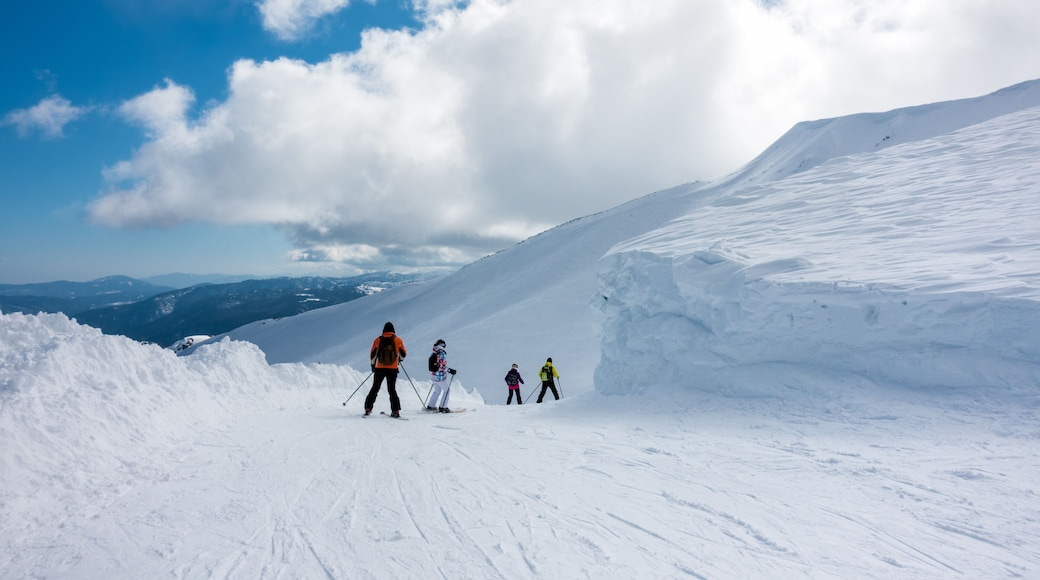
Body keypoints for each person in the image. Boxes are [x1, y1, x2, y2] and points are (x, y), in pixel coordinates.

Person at [364, 322, 407, 417]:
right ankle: (396, 411)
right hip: (393, 369)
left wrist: (373, 365)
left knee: (375, 388)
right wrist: (398, 360)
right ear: (393, 330)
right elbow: (403, 354)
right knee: (392, 389)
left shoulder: (378, 340)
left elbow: (373, 354)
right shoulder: (398, 340)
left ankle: (368, 408)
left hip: (379, 368)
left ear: (384, 330)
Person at [427, 339, 456, 412]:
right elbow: (442, 366)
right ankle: (443, 407)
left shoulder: (434, 352)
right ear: (443, 345)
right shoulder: (442, 353)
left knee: (437, 391)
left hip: (434, 375)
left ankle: (430, 406)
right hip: (440, 376)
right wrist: (450, 370)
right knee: (447, 391)